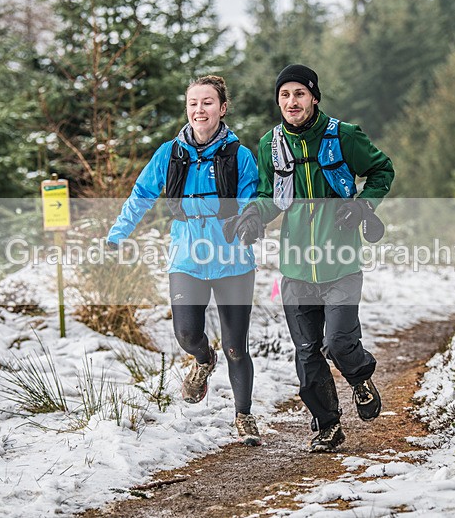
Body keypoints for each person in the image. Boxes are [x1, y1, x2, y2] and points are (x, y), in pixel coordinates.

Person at [224, 64, 394, 452]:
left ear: (314, 97)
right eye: (284, 95)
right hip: (296, 265)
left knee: (337, 341)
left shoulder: (344, 136)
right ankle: (328, 425)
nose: (291, 101)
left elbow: (382, 169)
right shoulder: (271, 144)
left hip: (342, 262)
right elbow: (270, 196)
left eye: (299, 93)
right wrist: (253, 218)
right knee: (306, 351)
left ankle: (359, 376)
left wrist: (364, 205)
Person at [107, 75, 261, 446]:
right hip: (186, 257)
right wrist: (118, 232)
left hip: (232, 261)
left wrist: (245, 224)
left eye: (207, 102)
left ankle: (243, 416)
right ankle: (202, 360)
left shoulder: (239, 155)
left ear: (222, 109)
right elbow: (142, 193)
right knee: (186, 333)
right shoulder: (169, 154)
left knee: (237, 346)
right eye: (193, 103)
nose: (199, 110)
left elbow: (250, 199)